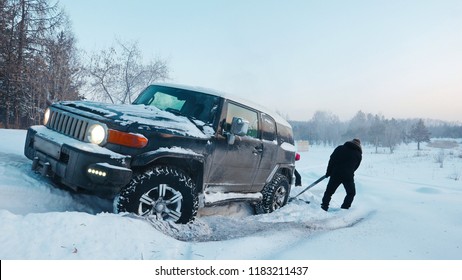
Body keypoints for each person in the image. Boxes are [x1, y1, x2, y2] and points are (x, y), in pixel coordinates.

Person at [321, 138, 362, 211]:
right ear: (359, 145)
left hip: (335, 174)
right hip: (348, 177)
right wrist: (349, 171)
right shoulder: (358, 154)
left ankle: (324, 206)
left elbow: (331, 160)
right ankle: (344, 208)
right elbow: (356, 167)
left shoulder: (340, 148)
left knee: (329, 192)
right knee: (351, 193)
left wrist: (329, 172)